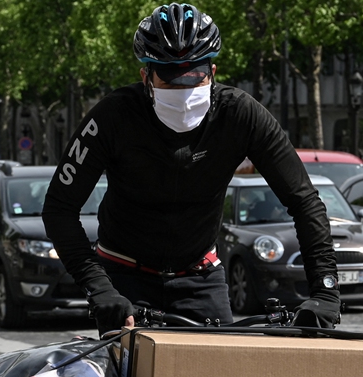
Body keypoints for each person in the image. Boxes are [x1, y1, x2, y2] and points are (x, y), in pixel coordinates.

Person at [42, 3, 339, 336]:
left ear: (213, 72)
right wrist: (99, 288)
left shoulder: (242, 115)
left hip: (200, 277)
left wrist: (325, 291)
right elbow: (59, 209)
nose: (183, 90)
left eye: (194, 76)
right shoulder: (112, 117)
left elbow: (304, 201)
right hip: (123, 277)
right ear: (145, 77)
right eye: (169, 79)